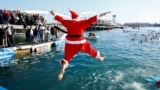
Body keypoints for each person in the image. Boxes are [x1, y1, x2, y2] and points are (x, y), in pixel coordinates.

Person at [50, 9, 111, 80]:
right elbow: (93, 18)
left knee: (67, 58)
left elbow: (60, 19)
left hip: (70, 42)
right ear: (78, 17)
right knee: (90, 50)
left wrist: (53, 13)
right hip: (81, 42)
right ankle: (99, 57)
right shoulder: (83, 22)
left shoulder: (67, 22)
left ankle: (63, 69)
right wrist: (104, 13)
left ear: (72, 18)